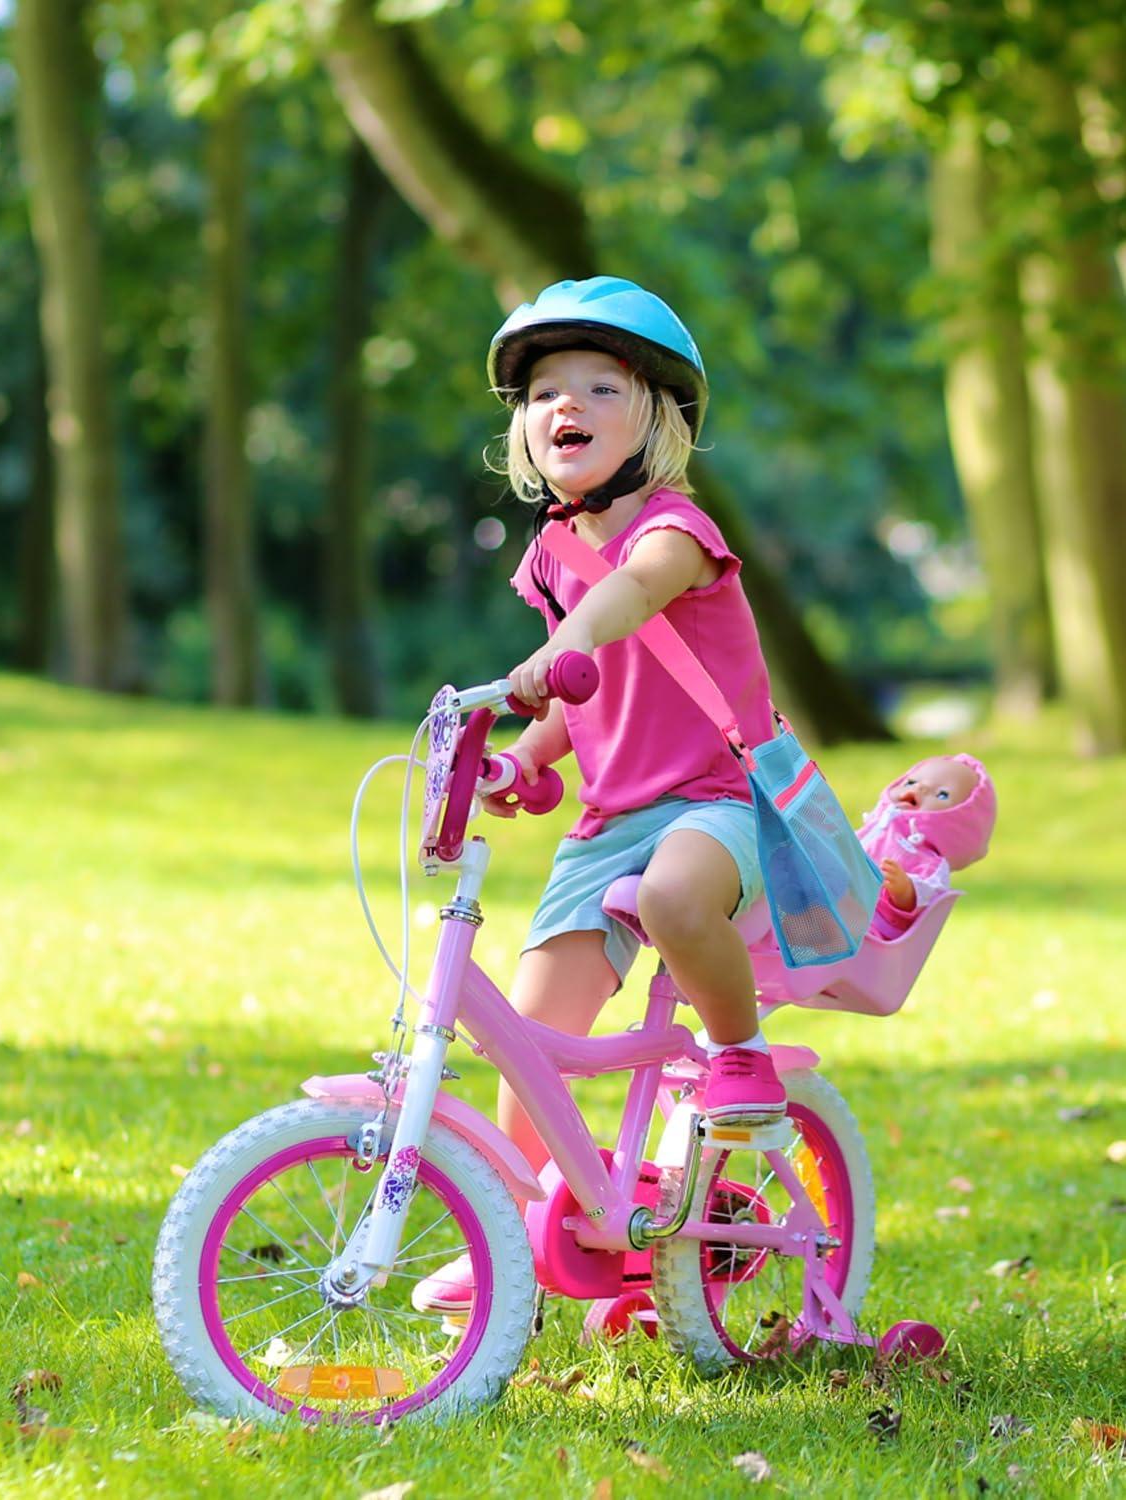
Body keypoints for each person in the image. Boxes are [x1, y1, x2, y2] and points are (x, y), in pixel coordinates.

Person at [414, 275, 783, 1314]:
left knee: (674, 902)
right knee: (525, 1035)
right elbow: (592, 688)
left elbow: (632, 603)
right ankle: (512, 1232)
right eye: (542, 394)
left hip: (719, 798)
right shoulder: (549, 554)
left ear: (657, 419)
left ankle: (740, 1056)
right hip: (610, 820)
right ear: (524, 431)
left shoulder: (676, 528)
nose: (564, 406)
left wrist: (568, 640)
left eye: (598, 387)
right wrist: (530, 756)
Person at [858, 753, 995, 939]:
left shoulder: (930, 862)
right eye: (911, 782)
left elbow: (929, 894)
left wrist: (906, 890)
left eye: (942, 794)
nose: (921, 787)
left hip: (869, 928)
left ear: (958, 821)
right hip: (831, 900)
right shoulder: (876, 829)